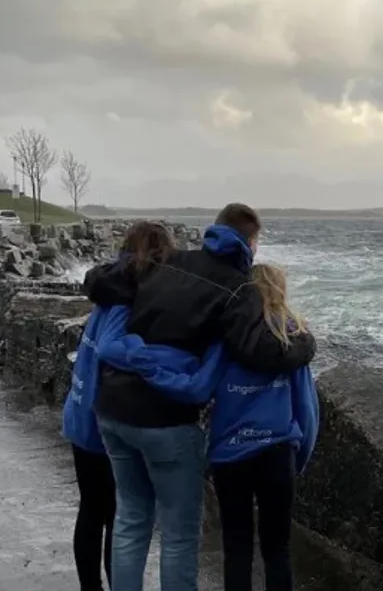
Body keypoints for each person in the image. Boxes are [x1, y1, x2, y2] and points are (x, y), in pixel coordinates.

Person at [83, 204, 316, 591]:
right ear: (250, 243)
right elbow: (261, 351)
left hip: (113, 409)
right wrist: (305, 344)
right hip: (165, 419)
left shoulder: (168, 261)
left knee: (130, 519)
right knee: (177, 533)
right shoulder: (237, 286)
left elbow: (104, 282)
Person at [62, 222, 216, 591]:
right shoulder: (126, 298)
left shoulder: (107, 289)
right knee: (117, 515)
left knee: (95, 512)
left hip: (80, 411)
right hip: (104, 415)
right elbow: (114, 350)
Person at [208, 264, 319, 591]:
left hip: (229, 454)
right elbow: (306, 408)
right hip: (277, 451)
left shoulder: (225, 336)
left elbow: (206, 391)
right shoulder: (292, 336)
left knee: (237, 549)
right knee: (277, 549)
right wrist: (300, 456)